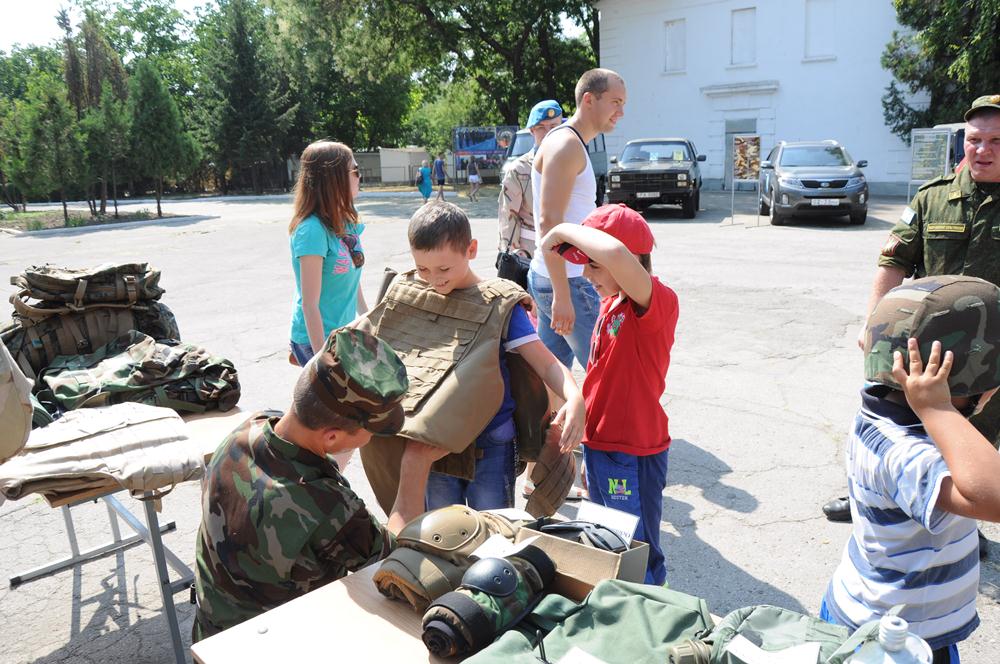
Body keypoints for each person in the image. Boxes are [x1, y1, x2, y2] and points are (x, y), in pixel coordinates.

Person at [192, 328, 447, 641]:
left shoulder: (247, 430)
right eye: (371, 431)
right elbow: (398, 561)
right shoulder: (325, 502)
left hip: (211, 633)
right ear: (331, 436)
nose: (372, 438)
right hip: (268, 644)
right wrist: (415, 466)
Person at [822, 95, 1000, 543]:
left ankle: (962, 520)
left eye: (996, 141)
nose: (983, 150)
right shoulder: (933, 197)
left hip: (989, 349)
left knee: (977, 430)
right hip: (926, 344)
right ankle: (871, 494)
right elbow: (894, 261)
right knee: (896, 419)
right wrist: (873, 324)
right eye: (975, 140)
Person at [821, 275, 1000, 664]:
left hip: (881, 615)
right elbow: (995, 498)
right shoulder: (905, 451)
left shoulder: (882, 415)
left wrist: (939, 409)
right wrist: (939, 408)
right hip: (893, 642)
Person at [407, 201, 585, 512]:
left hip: (490, 442)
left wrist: (574, 397)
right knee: (442, 532)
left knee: (493, 529)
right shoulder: (414, 296)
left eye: (444, 269)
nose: (434, 279)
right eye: (423, 269)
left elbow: (545, 363)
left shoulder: (499, 304)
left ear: (471, 249)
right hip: (433, 440)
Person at [540, 203, 679, 585]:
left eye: (593, 266)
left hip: (632, 450)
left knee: (634, 548)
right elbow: (600, 374)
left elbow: (614, 253)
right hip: (602, 446)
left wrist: (562, 229)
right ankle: (618, 602)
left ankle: (651, 603)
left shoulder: (656, 303)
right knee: (605, 541)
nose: (586, 274)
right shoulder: (609, 303)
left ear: (631, 261)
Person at [530, 69, 626, 371]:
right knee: (607, 373)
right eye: (615, 102)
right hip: (568, 280)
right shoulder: (566, 145)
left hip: (558, 277)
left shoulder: (569, 142)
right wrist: (562, 295)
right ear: (589, 100)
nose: (621, 112)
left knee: (552, 378)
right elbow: (549, 222)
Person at [288, 140, 367, 367]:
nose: (359, 176)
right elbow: (309, 304)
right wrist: (320, 360)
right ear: (334, 179)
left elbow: (352, 275)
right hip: (314, 340)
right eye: (355, 171)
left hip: (342, 334)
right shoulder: (311, 230)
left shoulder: (347, 220)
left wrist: (368, 318)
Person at [497, 99, 564, 259]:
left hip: (566, 248)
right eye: (541, 127)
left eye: (553, 127)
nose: (548, 132)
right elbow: (508, 215)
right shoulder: (519, 169)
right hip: (531, 250)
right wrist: (511, 254)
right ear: (532, 131)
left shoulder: (572, 163)